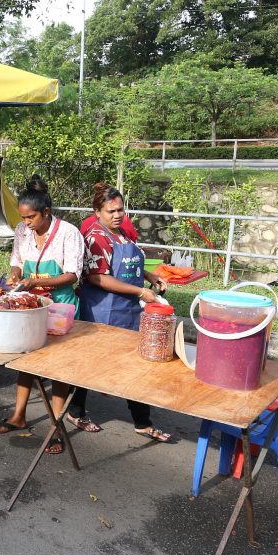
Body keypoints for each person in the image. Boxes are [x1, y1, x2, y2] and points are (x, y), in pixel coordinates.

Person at [0, 176, 84, 455]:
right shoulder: (22, 230)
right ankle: (19, 415)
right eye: (23, 218)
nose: (27, 223)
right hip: (30, 304)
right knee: (26, 360)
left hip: (59, 308)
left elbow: (72, 275)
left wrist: (35, 283)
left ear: (46, 213)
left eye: (31, 217)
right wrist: (17, 275)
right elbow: (17, 262)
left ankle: (56, 426)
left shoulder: (68, 233)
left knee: (57, 367)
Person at [71, 182, 173, 442]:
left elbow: (131, 263)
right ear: (97, 211)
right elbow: (97, 278)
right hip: (102, 311)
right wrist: (140, 292)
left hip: (126, 311)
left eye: (120, 210)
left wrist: (150, 275)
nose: (117, 215)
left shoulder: (120, 234)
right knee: (90, 364)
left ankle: (142, 421)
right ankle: (75, 410)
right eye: (110, 211)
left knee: (134, 365)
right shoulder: (96, 237)